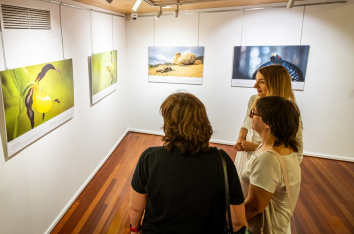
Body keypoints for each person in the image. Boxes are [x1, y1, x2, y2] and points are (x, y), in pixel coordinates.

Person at [129, 93, 247, 233]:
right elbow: (237, 220)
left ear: (168, 124)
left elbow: (136, 208)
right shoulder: (222, 160)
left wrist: (134, 229)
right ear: (203, 121)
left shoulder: (149, 158)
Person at [241, 96, 301, 234]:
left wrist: (227, 219)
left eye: (254, 113)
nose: (250, 116)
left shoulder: (269, 159)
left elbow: (253, 208)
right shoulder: (276, 147)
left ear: (268, 123)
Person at [234, 65, 303, 177]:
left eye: (261, 82)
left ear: (275, 84)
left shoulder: (288, 112)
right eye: (256, 81)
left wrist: (255, 147)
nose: (255, 85)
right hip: (245, 156)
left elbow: (296, 153)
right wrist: (240, 139)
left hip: (267, 164)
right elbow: (246, 123)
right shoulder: (253, 99)